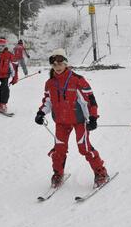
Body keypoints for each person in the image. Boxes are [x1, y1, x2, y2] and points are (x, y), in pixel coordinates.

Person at [34, 48, 109, 188]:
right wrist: (41, 113)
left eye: (60, 63)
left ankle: (101, 172)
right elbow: (47, 101)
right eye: (54, 64)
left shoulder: (77, 80)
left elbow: (90, 100)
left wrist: (93, 118)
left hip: (80, 120)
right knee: (59, 149)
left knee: (84, 148)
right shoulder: (50, 83)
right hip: (61, 122)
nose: (57, 67)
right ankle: (58, 173)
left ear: (66, 64)